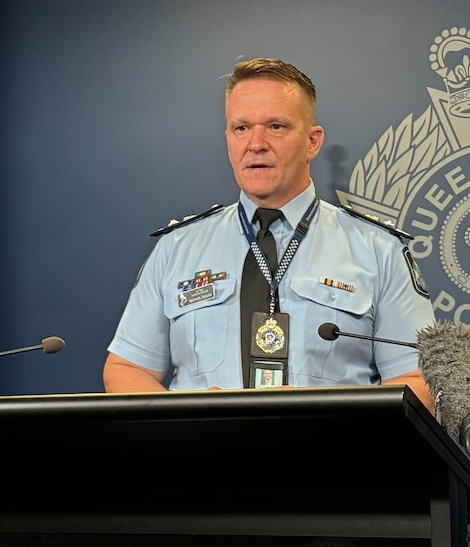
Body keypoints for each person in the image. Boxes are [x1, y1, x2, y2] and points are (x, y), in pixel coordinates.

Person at [103, 58, 436, 413]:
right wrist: (190, 419)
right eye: (241, 128)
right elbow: (126, 369)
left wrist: (328, 419)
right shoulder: (177, 248)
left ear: (312, 142)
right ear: (228, 139)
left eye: (276, 126)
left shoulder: (377, 249)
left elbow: (420, 382)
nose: (256, 143)